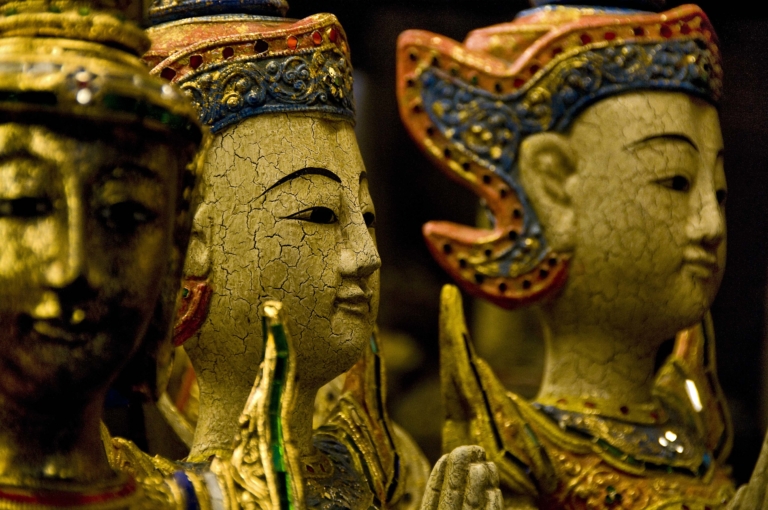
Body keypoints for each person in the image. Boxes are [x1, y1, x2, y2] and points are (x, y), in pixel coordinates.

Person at [137, 1, 503, 509]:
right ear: (190, 248)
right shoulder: (172, 498)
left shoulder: (381, 469)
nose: (367, 256)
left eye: (367, 217)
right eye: (319, 215)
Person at [397, 1, 735, 508]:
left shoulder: (697, 436)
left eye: (720, 191)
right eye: (675, 182)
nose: (711, 224)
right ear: (553, 187)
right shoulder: (525, 458)